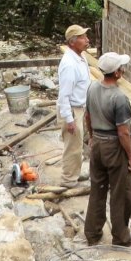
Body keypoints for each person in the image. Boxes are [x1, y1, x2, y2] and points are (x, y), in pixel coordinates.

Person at [84, 52, 131, 247]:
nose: (123, 70)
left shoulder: (92, 88)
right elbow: (123, 132)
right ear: (117, 73)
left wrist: (91, 137)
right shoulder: (120, 98)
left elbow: (88, 117)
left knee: (97, 188)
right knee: (121, 192)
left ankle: (92, 233)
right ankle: (121, 236)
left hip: (98, 144)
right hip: (113, 147)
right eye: (121, 68)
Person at [57, 24, 91, 188]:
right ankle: (68, 180)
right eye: (83, 37)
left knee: (77, 146)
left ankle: (74, 174)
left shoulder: (80, 57)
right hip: (72, 110)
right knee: (72, 147)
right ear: (72, 42)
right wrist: (69, 120)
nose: (87, 40)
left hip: (79, 108)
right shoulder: (69, 64)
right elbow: (64, 95)